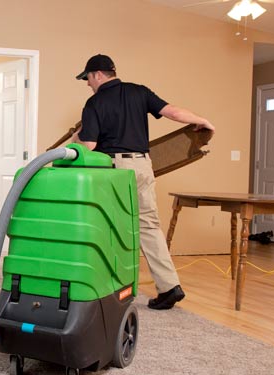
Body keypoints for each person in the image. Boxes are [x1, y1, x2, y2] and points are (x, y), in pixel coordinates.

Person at [74, 54, 215, 310]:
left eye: (87, 78)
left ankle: (109, 286)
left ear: (96, 74)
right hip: (142, 165)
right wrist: (200, 120)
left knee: (110, 226)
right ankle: (170, 286)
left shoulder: (94, 102)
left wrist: (76, 138)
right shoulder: (139, 92)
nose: (87, 84)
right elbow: (172, 111)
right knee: (148, 225)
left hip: (113, 169)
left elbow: (90, 145)